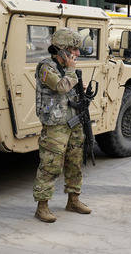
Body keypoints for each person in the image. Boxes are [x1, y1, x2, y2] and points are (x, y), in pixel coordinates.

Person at [33, 28, 91, 223]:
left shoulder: (67, 69)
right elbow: (60, 86)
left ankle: (73, 199)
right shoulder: (46, 67)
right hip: (55, 123)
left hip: (73, 120)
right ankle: (42, 206)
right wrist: (72, 73)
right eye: (74, 50)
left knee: (75, 162)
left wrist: (80, 88)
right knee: (51, 165)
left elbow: (68, 89)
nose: (77, 54)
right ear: (62, 50)